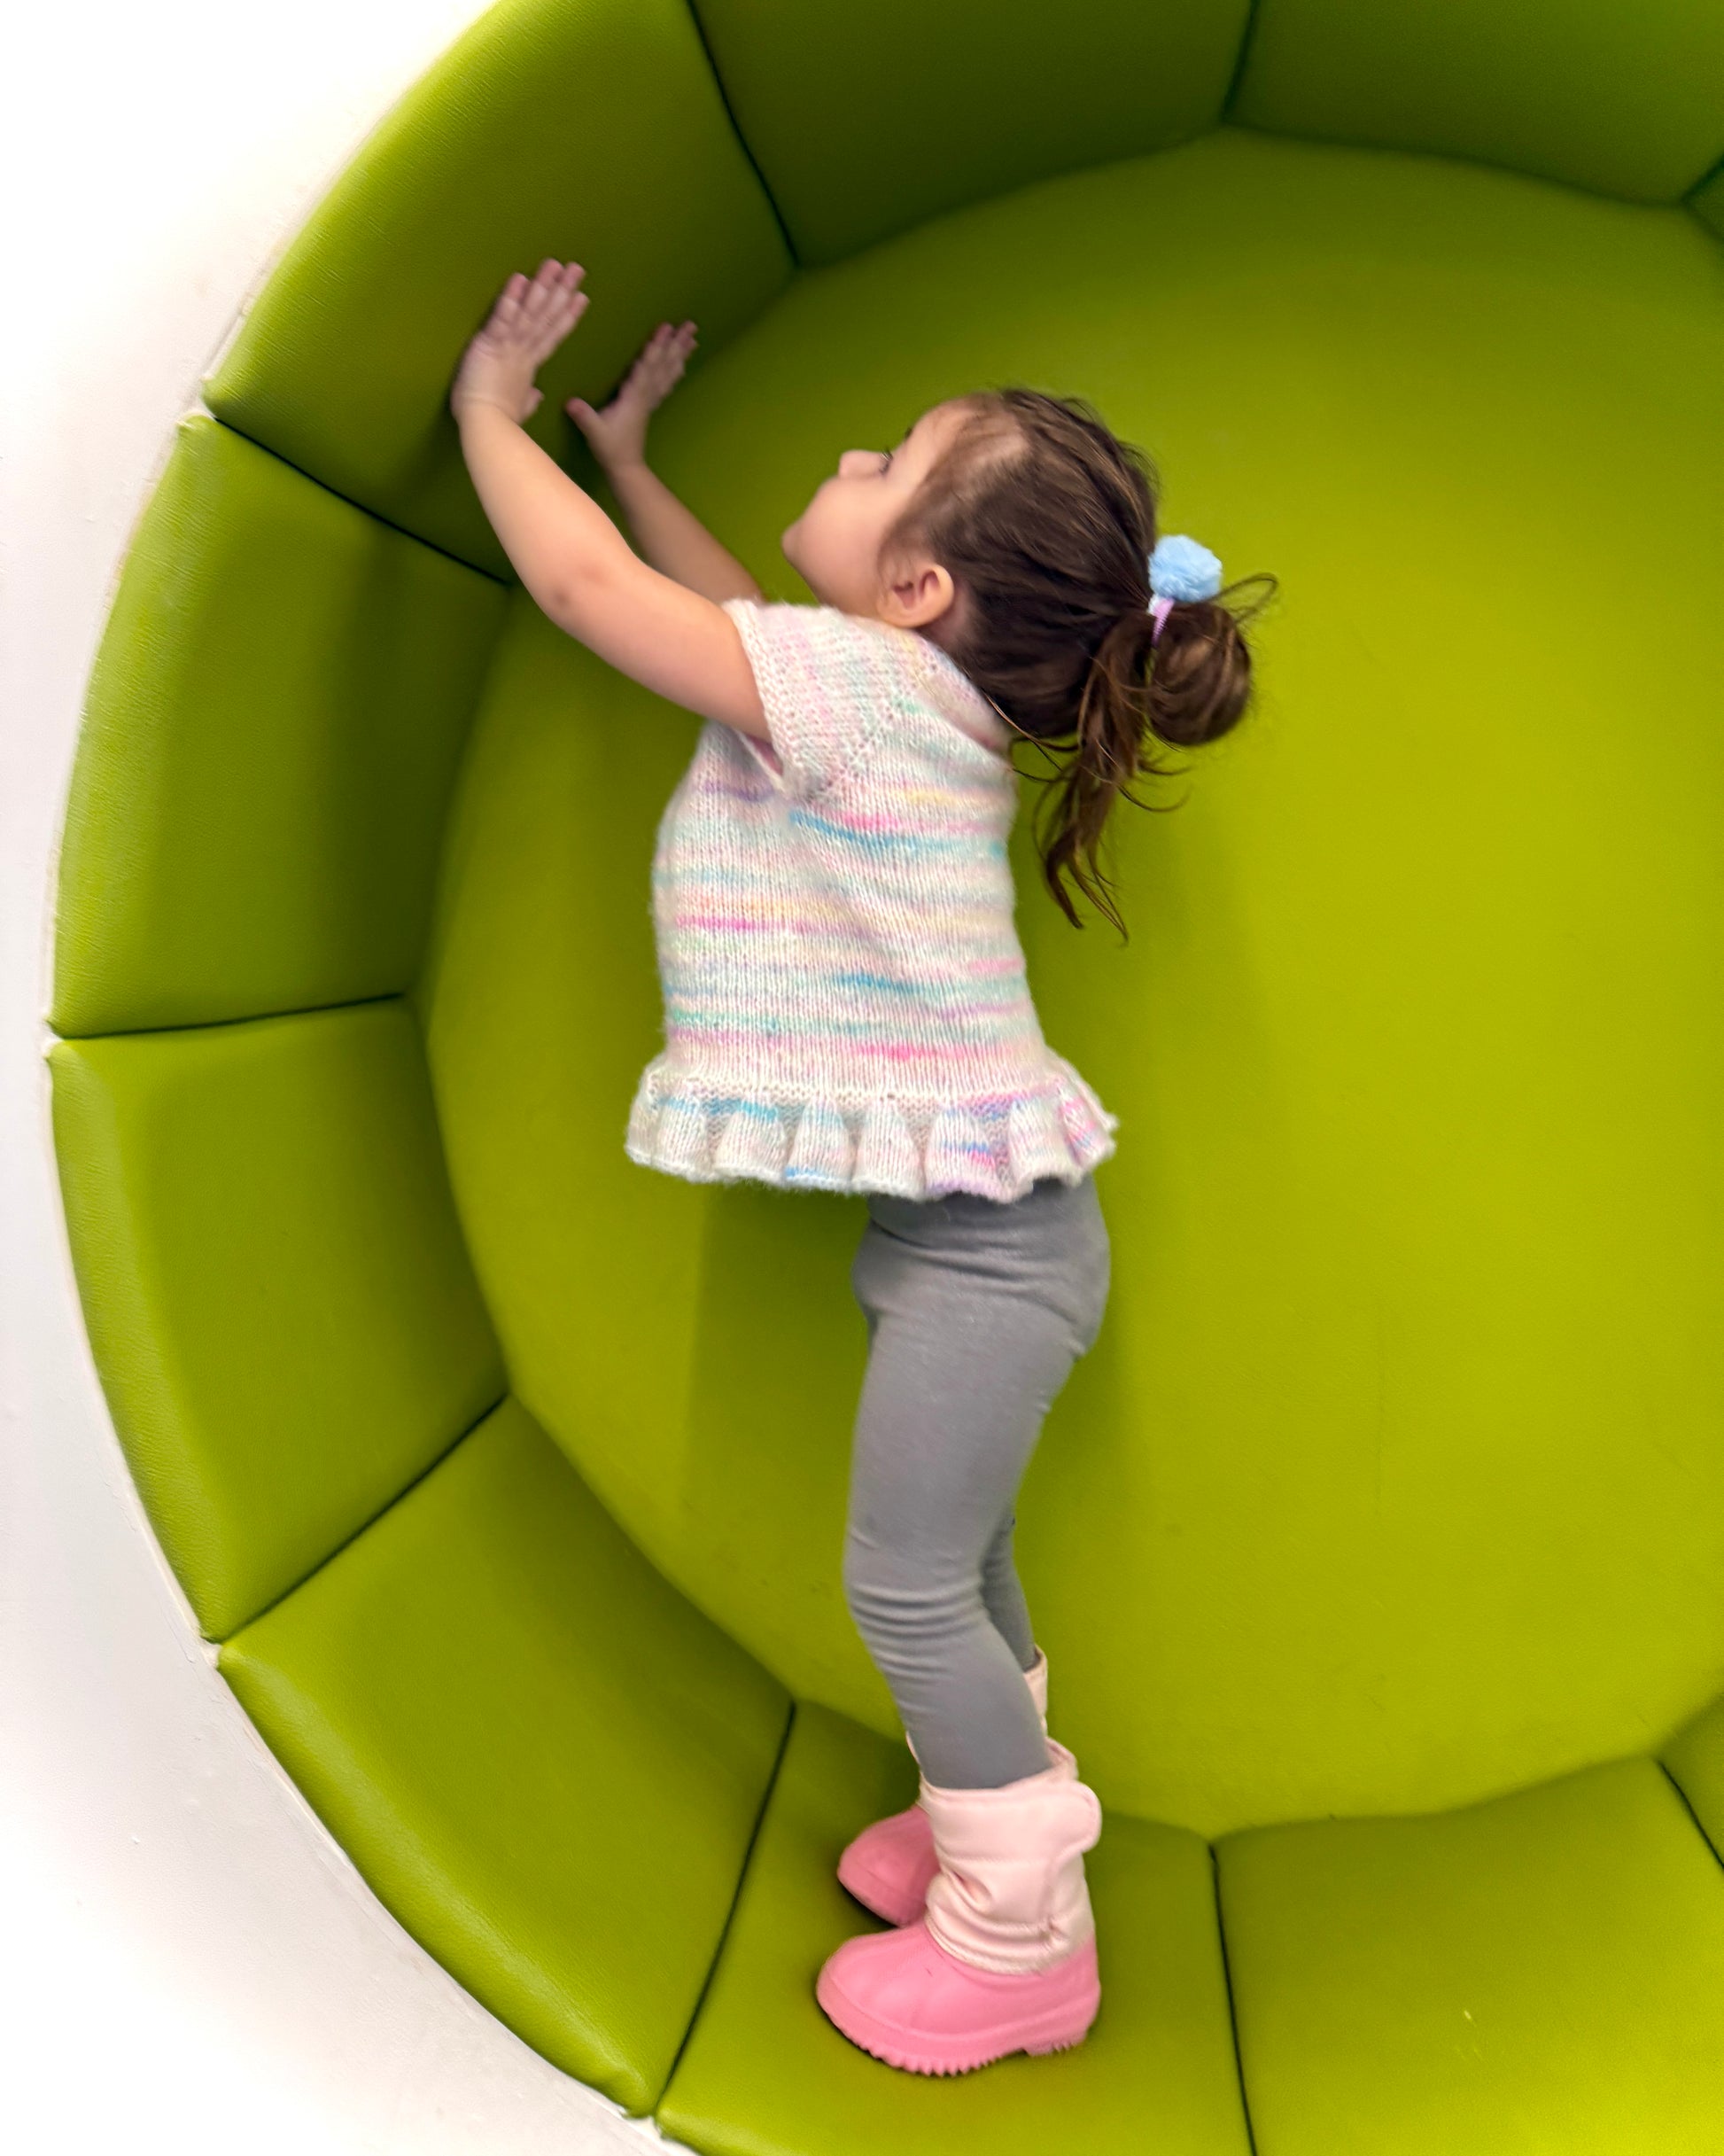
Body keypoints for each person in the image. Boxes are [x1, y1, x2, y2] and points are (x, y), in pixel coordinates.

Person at [452, 258, 1272, 2077]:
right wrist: (632, 451)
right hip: (996, 1245)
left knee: (906, 1581)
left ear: (918, 589)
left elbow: (604, 597)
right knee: (957, 1565)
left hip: (995, 1261)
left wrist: (490, 423)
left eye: (885, 455)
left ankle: (1015, 1935)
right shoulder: (898, 700)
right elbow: (720, 606)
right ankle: (985, 1796)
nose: (844, 448)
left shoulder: (857, 700)